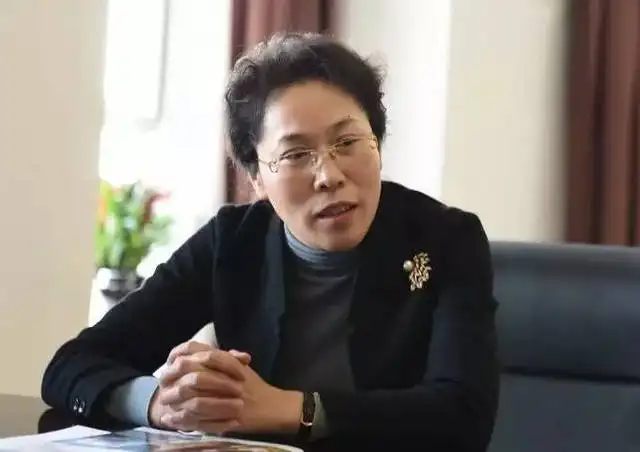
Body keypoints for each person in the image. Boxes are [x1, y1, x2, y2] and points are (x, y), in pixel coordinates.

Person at [41, 32, 499, 451]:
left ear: (377, 144)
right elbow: (71, 365)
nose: (329, 175)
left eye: (347, 142)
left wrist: (290, 409)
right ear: (257, 178)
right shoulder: (233, 243)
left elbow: (463, 417)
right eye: (296, 154)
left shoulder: (445, 238)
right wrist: (160, 403)